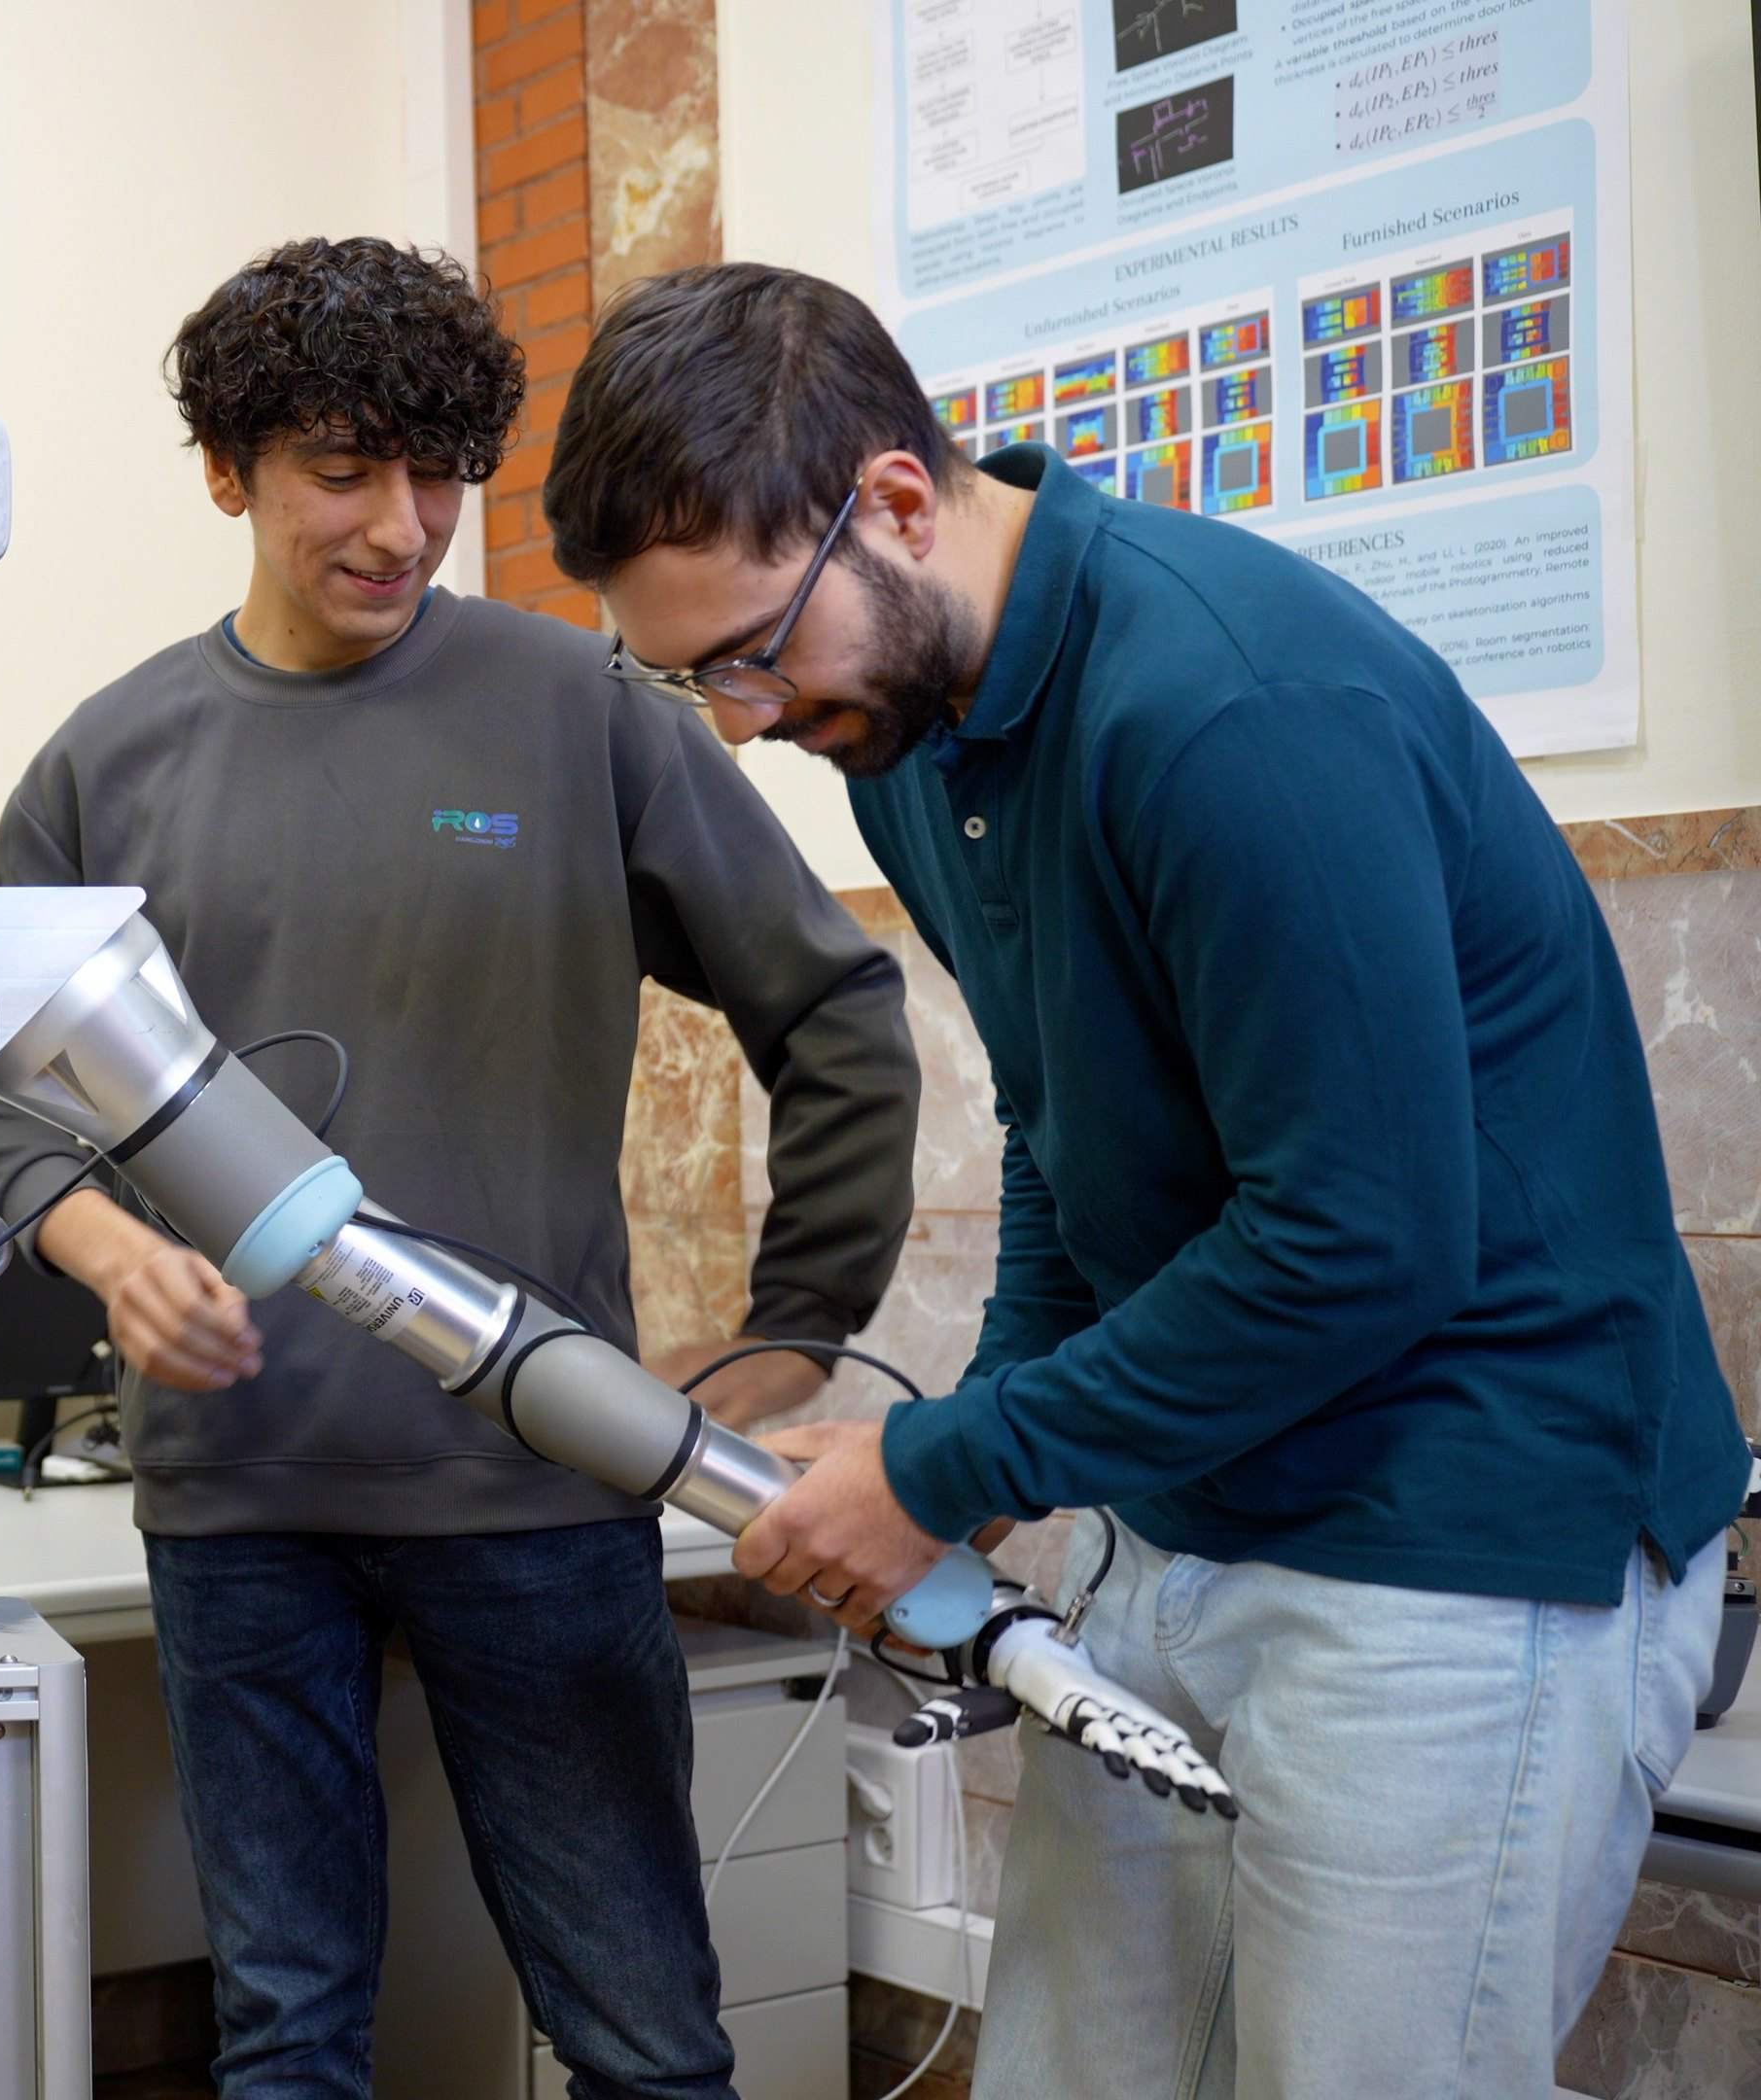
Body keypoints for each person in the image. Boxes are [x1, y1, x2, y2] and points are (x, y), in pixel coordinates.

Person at [543, 260, 1743, 2099]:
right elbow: (1066, 1127)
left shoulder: (1226, 710)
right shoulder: (913, 736)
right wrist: (979, 1447)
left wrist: (957, 1461)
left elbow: (1361, 1241)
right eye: (685, 671)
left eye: (752, 652)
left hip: (1462, 1534)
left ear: (893, 503)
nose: (741, 722)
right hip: (1194, 1522)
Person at [0, 237, 921, 2099]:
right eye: (345, 471)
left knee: (644, 2038)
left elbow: (837, 1016)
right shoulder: (103, 772)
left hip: (540, 1496)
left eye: (441, 476)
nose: (406, 527)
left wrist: (783, 1343)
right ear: (228, 473)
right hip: (237, 1512)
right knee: (288, 2038)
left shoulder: (588, 714)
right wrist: (99, 1245)